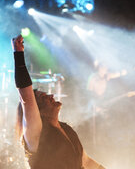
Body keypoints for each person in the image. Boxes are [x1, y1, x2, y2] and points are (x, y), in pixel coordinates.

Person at [12, 34, 106, 169]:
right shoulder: (37, 131)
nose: (51, 96)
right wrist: (18, 54)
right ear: (38, 111)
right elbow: (26, 97)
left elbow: (86, 162)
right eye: (44, 98)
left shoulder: (67, 129)